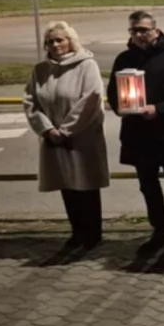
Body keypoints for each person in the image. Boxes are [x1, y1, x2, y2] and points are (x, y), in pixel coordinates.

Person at [108, 11, 164, 251]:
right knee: (147, 185)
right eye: (134, 30)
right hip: (137, 132)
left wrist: (158, 109)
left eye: (144, 30)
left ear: (156, 31)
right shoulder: (124, 59)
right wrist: (121, 108)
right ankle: (159, 229)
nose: (139, 35)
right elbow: (112, 92)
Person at [24, 22, 109, 250]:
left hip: (82, 138)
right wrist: (47, 129)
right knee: (66, 186)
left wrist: (67, 130)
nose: (55, 45)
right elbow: (31, 101)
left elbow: (90, 101)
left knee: (86, 186)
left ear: (70, 41)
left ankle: (92, 233)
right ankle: (77, 231)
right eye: (50, 41)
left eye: (60, 39)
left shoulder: (86, 65)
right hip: (53, 136)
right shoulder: (40, 70)